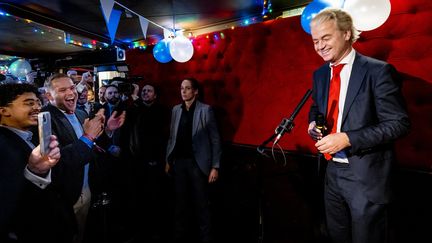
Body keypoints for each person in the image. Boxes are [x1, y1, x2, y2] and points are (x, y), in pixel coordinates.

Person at [307, 8, 410, 243]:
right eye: (315, 41)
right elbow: (316, 108)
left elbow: (399, 123)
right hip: (331, 173)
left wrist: (348, 138)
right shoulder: (320, 74)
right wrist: (313, 124)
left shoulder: (378, 71)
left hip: (366, 176)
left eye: (325, 38)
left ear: (345, 33)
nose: (319, 46)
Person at [43, 73, 125, 243]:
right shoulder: (45, 119)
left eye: (72, 87)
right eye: (62, 89)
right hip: (66, 196)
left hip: (86, 189)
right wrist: (88, 137)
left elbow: (90, 145)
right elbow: (58, 162)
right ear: (49, 95)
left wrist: (108, 130)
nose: (71, 93)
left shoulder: (80, 114)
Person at [0, 83, 61, 242]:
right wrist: (35, 172)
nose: (37, 107)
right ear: (4, 110)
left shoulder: (31, 135)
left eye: (38, 102)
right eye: (29, 103)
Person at [166, 78, 222, 243]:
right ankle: (179, 237)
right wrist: (168, 160)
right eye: (182, 88)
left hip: (198, 164)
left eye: (187, 88)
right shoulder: (176, 110)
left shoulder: (206, 110)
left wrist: (215, 167)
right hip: (179, 163)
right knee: (180, 205)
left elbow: (215, 139)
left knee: (201, 204)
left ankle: (206, 238)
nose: (183, 91)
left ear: (195, 91)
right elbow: (172, 137)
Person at [122, 84, 170, 241]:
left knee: (154, 197)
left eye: (149, 91)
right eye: (143, 91)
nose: (145, 93)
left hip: (154, 160)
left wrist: (156, 159)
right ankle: (139, 230)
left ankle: (155, 231)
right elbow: (127, 124)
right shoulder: (135, 108)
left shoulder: (162, 110)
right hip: (136, 161)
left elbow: (156, 130)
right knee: (137, 197)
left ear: (155, 95)